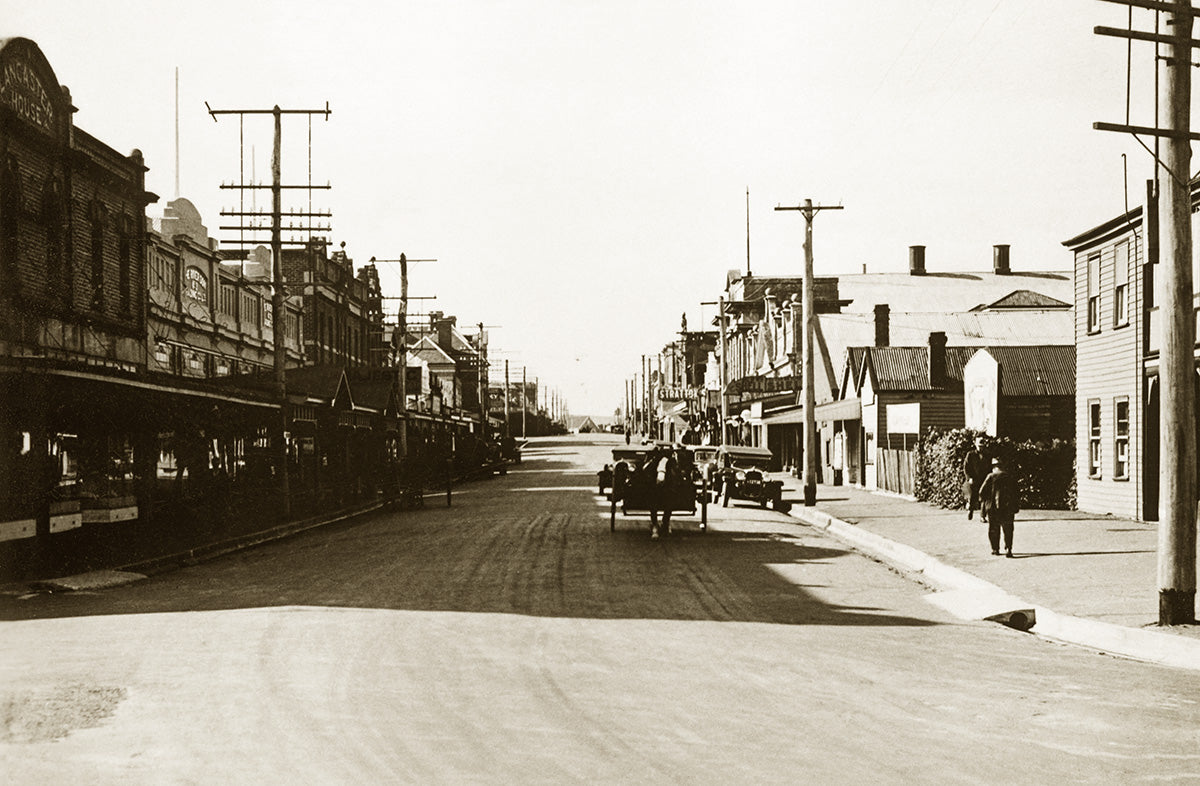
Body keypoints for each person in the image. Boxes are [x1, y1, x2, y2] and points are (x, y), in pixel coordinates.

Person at [979, 457, 1019, 557]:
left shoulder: (990, 476)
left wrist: (985, 503)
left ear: (994, 467)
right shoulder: (1010, 477)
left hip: (992, 507)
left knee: (993, 529)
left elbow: (981, 492)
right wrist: (1015, 506)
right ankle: (1008, 549)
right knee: (1008, 529)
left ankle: (995, 549)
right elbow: (1016, 493)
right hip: (1007, 507)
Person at [962, 437, 989, 520]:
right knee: (972, 496)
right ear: (975, 445)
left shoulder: (987, 455)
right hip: (973, 479)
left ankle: (982, 516)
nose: (981, 448)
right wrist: (969, 478)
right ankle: (970, 509)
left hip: (984, 479)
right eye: (979, 446)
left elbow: (990, 468)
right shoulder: (970, 454)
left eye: (982, 446)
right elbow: (966, 468)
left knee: (985, 497)